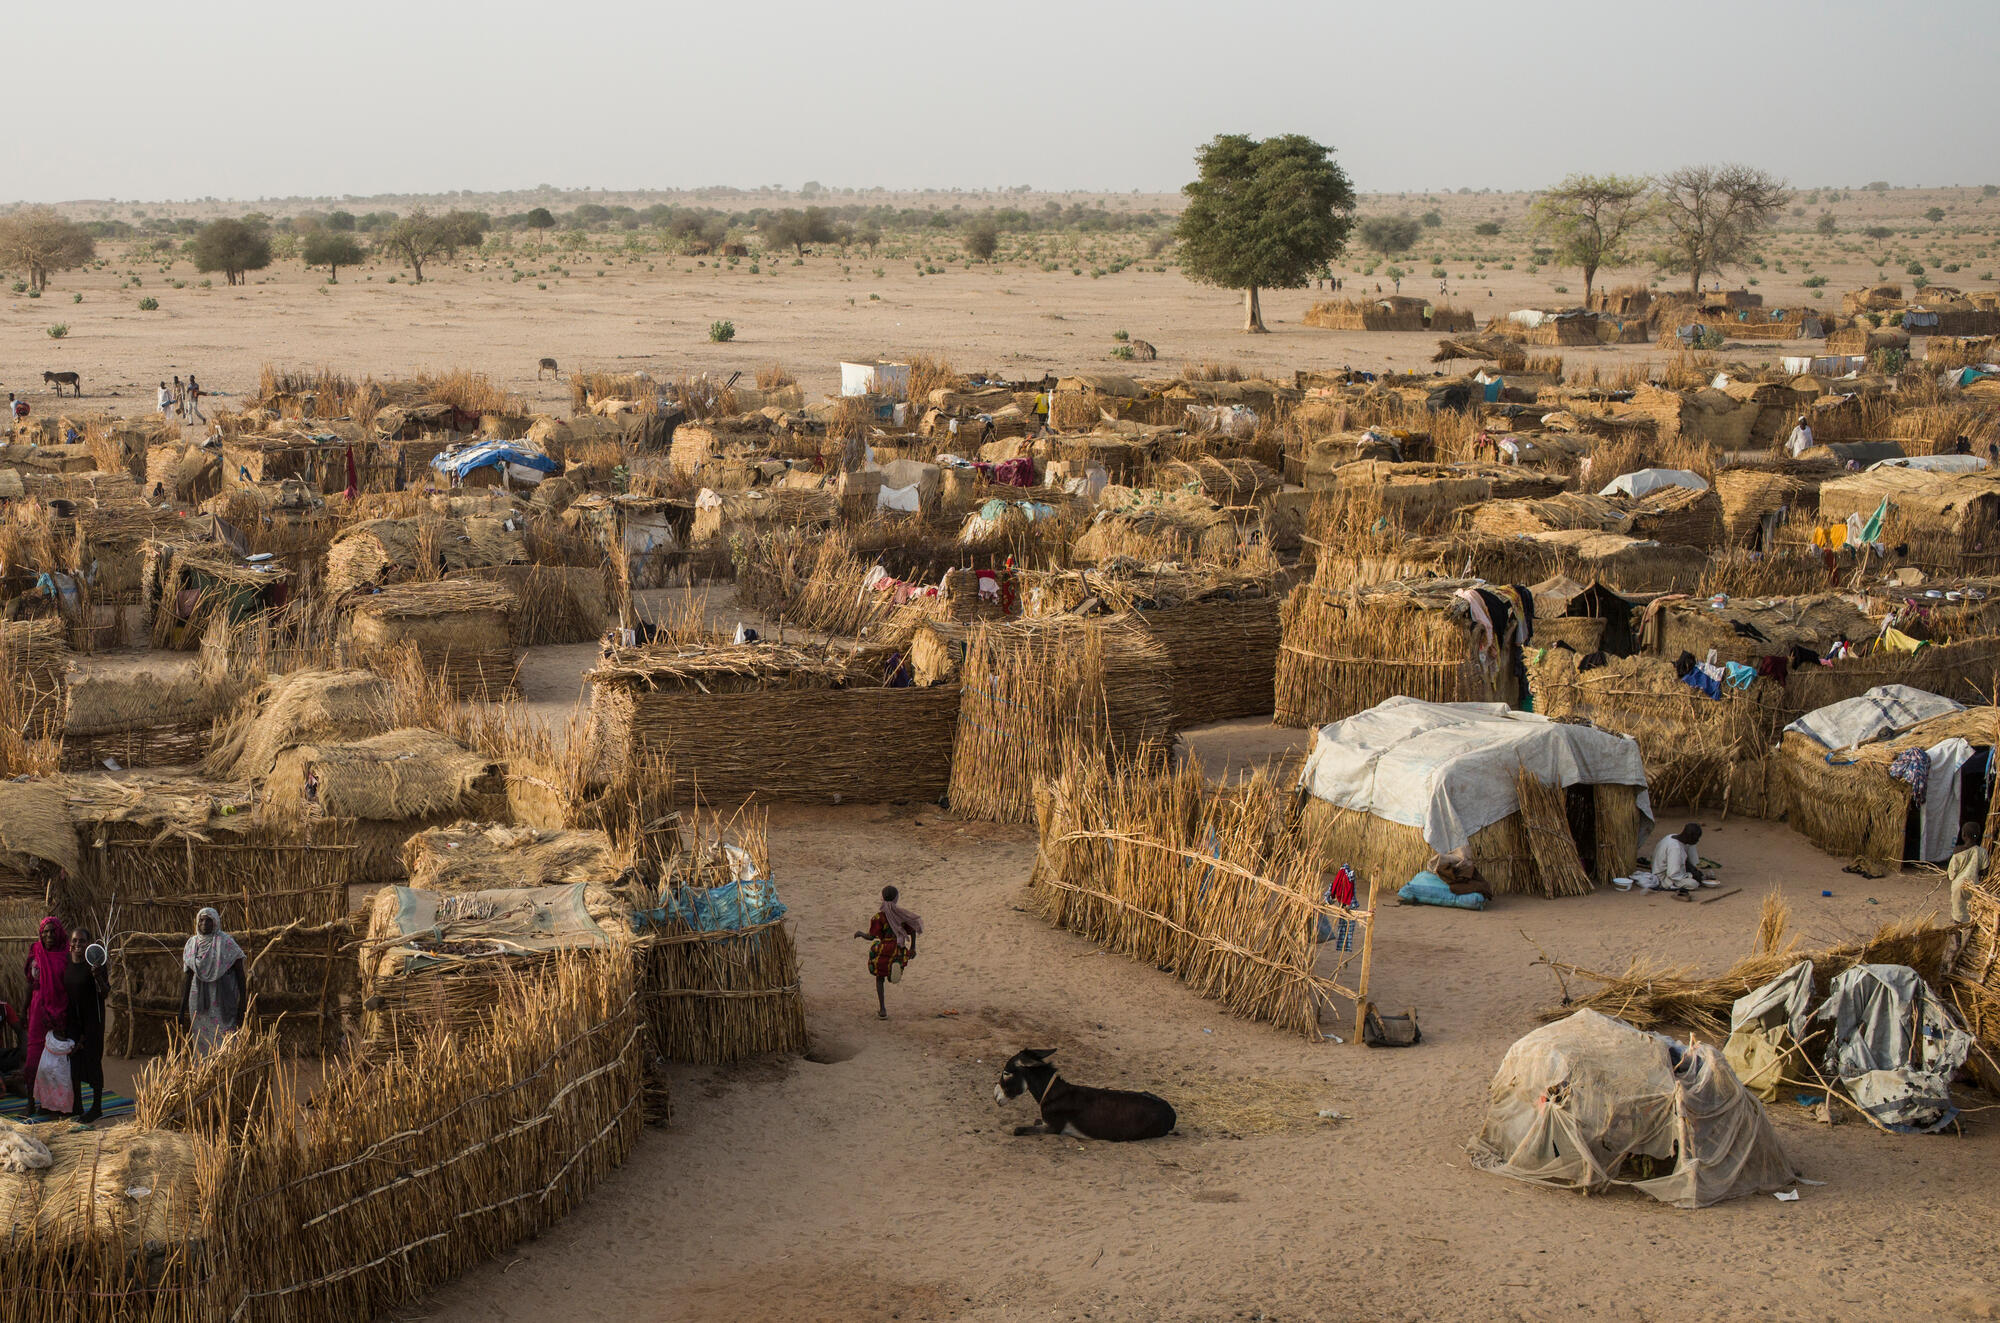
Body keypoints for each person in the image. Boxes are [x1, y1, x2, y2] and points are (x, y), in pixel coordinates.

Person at [21, 916, 70, 1114]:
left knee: (55, 1061)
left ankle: (51, 1105)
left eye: (52, 931)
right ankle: (30, 1103)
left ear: (59, 932)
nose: (48, 935)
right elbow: (29, 984)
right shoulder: (36, 952)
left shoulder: (66, 955)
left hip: (59, 1012)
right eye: (45, 932)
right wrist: (23, 1010)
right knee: (33, 1059)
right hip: (37, 1011)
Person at [180, 907, 246, 1052]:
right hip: (197, 1002)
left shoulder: (226, 943)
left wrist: (243, 1004)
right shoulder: (192, 944)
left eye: (208, 920)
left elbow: (241, 974)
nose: (204, 923)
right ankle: (204, 1072)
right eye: (201, 920)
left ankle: (226, 1070)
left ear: (215, 922)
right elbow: (188, 977)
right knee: (200, 1039)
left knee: (225, 1036)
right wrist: (181, 1009)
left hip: (221, 1000)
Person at [853, 885, 921, 1020]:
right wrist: (913, 947)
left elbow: (871, 937)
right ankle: (895, 970)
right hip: (898, 948)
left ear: (882, 898)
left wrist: (860, 934)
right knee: (896, 962)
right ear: (896, 899)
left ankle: (883, 1009)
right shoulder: (901, 915)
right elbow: (912, 930)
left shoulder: (878, 917)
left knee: (879, 977)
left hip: (884, 948)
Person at [63, 927, 108, 1123]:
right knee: (73, 1062)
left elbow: (105, 992)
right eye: (74, 941)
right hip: (73, 1020)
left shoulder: (95, 964)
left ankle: (96, 1107)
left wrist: (97, 975)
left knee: (92, 1061)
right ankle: (77, 1106)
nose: (77, 945)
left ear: (88, 944)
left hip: (92, 1020)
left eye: (82, 941)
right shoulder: (66, 962)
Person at [1650, 823, 1709, 894]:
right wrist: (1691, 875)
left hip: (1668, 869)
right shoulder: (1676, 849)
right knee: (1694, 884)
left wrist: (1693, 869)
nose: (1698, 840)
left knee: (1692, 845)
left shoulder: (1672, 836)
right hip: (1662, 877)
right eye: (1696, 838)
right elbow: (1673, 875)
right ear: (1689, 837)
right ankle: (1672, 886)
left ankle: (1694, 868)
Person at [1949, 824, 1990, 923]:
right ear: (1978, 835)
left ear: (1963, 835)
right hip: (1974, 886)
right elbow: (1985, 871)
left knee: (1957, 912)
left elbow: (1951, 874)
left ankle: (1958, 938)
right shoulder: (1982, 852)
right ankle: (1968, 937)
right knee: (1972, 912)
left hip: (1958, 886)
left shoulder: (1957, 851)